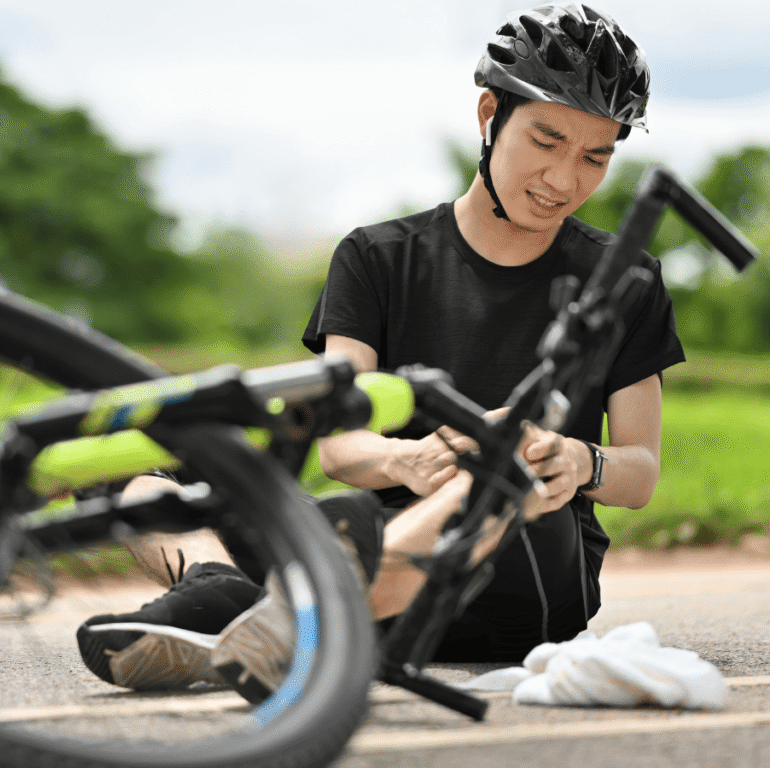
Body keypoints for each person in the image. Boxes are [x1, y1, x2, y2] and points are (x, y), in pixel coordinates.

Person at [76, 2, 684, 701]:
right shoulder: (375, 258)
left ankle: (289, 619)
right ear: (490, 114)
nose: (565, 178)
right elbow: (340, 449)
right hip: (368, 529)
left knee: (503, 451)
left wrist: (580, 459)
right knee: (148, 468)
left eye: (595, 156)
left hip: (526, 568)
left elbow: (638, 475)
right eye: (546, 141)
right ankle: (222, 592)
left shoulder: (626, 279)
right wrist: (407, 459)